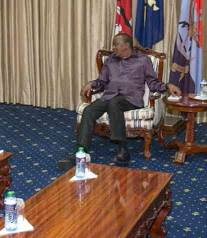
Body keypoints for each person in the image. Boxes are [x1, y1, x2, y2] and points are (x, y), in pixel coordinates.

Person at [57, 33, 182, 170]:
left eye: (116, 44)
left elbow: (153, 83)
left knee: (114, 103)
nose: (113, 47)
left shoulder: (143, 60)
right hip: (110, 96)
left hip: (131, 99)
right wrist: (91, 84)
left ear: (126, 45)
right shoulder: (111, 60)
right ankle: (81, 152)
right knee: (89, 110)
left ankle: (123, 150)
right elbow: (102, 82)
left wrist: (168, 86)